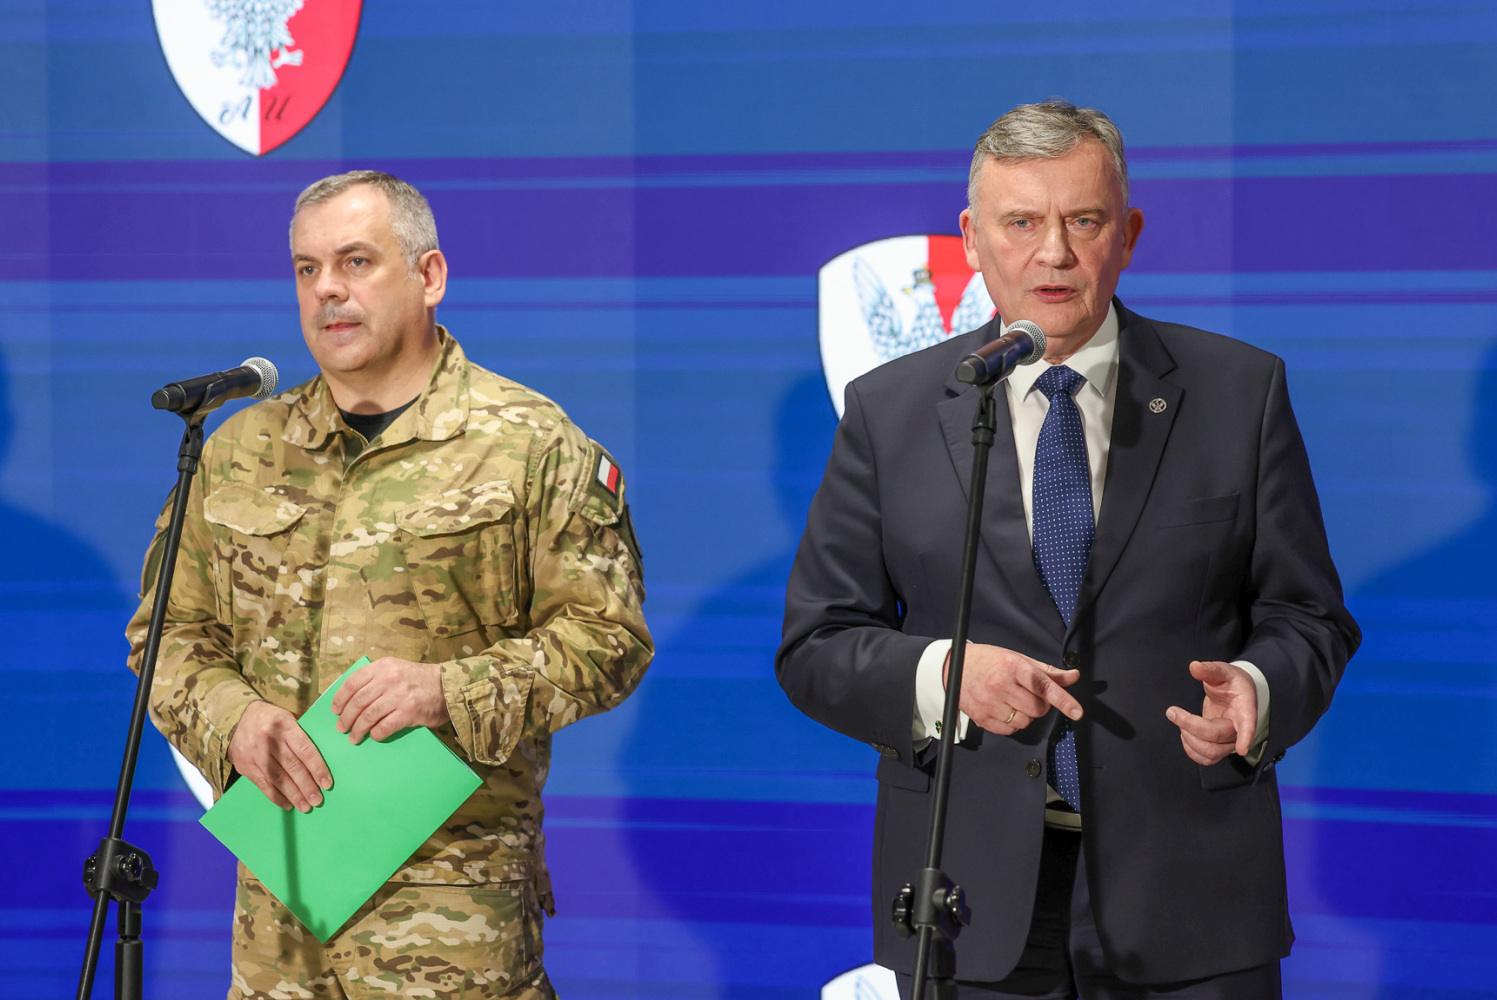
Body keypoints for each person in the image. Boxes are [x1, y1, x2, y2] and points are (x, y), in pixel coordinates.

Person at [777, 101, 1359, 998]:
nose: (1052, 252)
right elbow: (817, 643)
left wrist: (1256, 690)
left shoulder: (1237, 393)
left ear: (1126, 234)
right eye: (1021, 223)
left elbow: (1307, 614)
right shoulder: (889, 412)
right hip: (969, 899)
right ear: (971, 239)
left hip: (1191, 895)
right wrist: (942, 676)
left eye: (1082, 221)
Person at [127, 170, 652, 999]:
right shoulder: (239, 450)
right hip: (280, 927)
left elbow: (608, 639)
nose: (327, 289)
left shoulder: (528, 443)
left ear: (429, 275)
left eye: (356, 261)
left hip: (457, 924)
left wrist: (450, 691)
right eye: (307, 269)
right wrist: (233, 721)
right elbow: (167, 637)